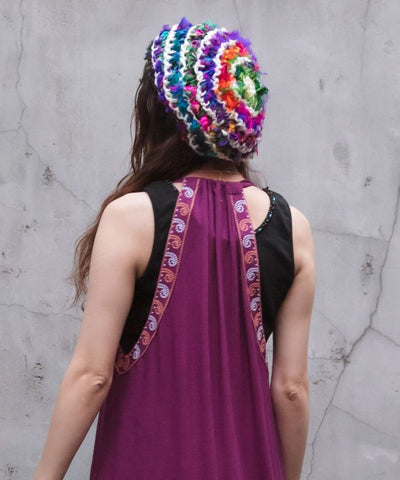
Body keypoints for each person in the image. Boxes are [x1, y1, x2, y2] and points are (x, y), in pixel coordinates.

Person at [33, 17, 316, 480]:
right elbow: (291, 389)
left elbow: (93, 376)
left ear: (161, 115)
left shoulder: (131, 217)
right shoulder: (292, 228)